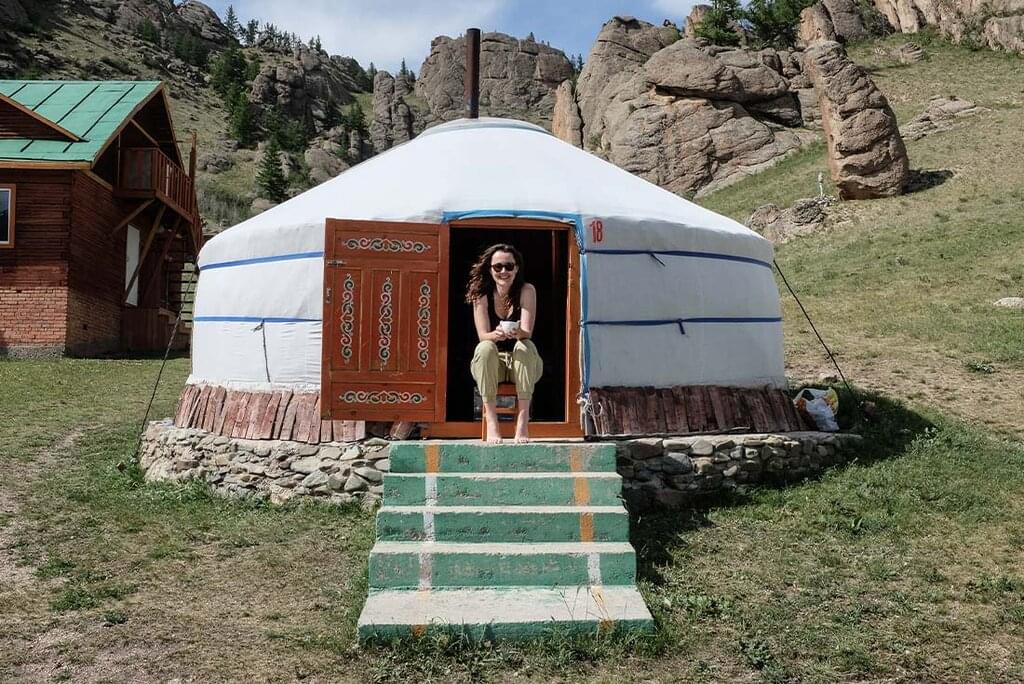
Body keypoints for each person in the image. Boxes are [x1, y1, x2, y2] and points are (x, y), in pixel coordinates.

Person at [466, 243, 543, 443]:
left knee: (525, 346)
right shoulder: (481, 293)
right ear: (490, 269)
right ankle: (491, 421)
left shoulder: (527, 290)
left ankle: (523, 421)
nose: (503, 271)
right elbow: (483, 335)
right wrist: (496, 334)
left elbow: (527, 332)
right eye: (498, 266)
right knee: (484, 348)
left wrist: (517, 333)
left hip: (523, 364)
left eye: (509, 266)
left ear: (516, 268)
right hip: (493, 364)